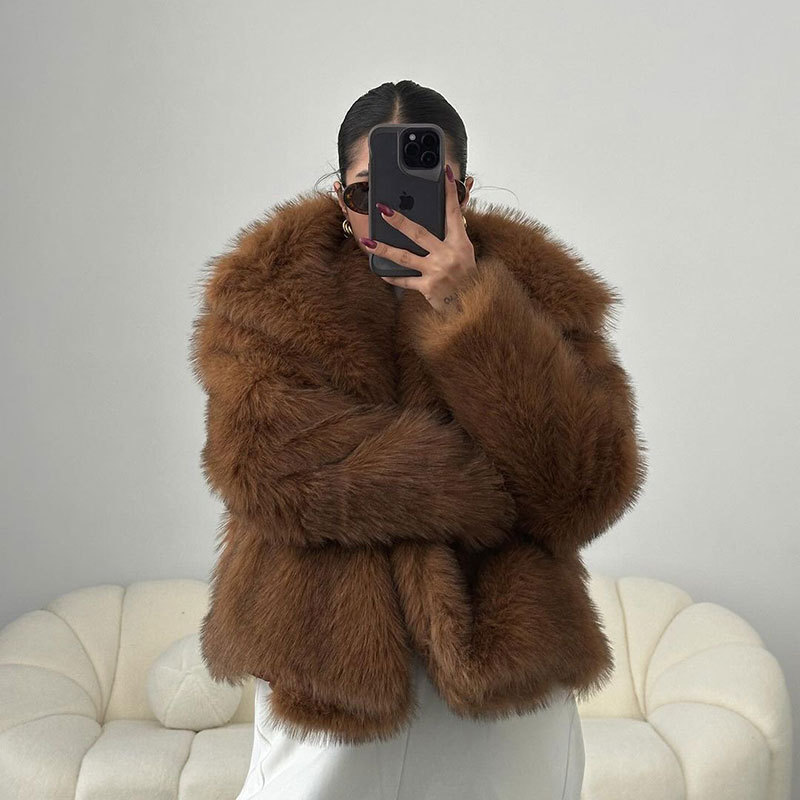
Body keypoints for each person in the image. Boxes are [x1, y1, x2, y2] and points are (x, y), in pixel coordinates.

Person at [189, 79, 647, 800]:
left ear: (462, 191)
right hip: (327, 660)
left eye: (423, 189)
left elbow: (584, 487)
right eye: (364, 194)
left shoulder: (535, 290)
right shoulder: (268, 291)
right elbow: (263, 465)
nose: (390, 213)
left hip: (507, 672)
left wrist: (471, 309)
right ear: (339, 196)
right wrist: (476, 491)